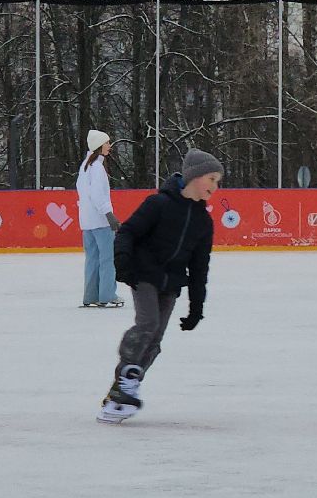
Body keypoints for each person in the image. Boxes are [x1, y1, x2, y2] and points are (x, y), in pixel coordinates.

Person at [98, 150, 222, 423]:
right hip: (144, 274)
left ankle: (125, 387)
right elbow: (128, 232)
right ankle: (126, 377)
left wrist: (196, 308)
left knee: (155, 341)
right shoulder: (158, 204)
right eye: (211, 179)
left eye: (217, 181)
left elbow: (200, 268)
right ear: (194, 176)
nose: (215, 186)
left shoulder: (204, 222)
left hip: (171, 283)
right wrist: (123, 263)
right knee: (147, 324)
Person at [76, 129, 123, 308]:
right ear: (98, 146)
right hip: (100, 221)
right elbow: (97, 195)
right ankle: (107, 295)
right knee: (107, 258)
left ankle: (90, 296)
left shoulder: (85, 166)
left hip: (87, 222)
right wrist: (109, 214)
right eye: (107, 143)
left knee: (93, 259)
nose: (109, 146)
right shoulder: (97, 168)